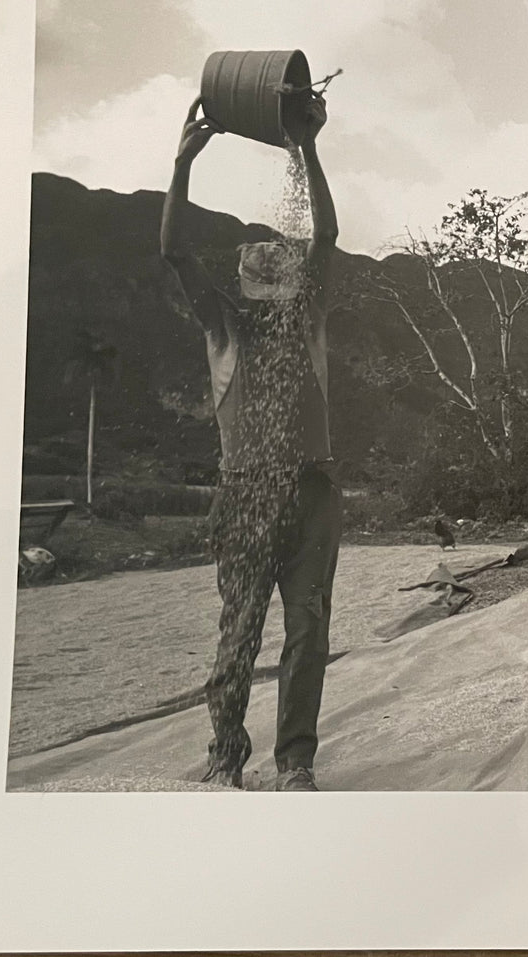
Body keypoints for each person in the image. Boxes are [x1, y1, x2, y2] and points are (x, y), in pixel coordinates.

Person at [160, 93, 341, 791]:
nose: (271, 294)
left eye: (281, 281)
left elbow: (323, 238)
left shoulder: (307, 324)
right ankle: (225, 753)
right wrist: (181, 167)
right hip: (244, 496)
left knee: (308, 630)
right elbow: (173, 249)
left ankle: (295, 760)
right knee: (239, 630)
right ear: (241, 286)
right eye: (259, 282)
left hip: (312, 492)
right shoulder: (223, 330)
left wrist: (308, 149)